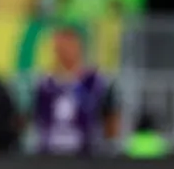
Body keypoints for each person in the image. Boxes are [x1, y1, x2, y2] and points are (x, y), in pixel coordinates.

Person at [33, 26, 119, 156]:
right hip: (51, 154)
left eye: (67, 46)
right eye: (59, 48)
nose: (63, 52)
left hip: (87, 153)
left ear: (78, 47)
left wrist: (109, 146)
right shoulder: (44, 84)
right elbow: (37, 117)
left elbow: (110, 116)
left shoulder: (96, 82)